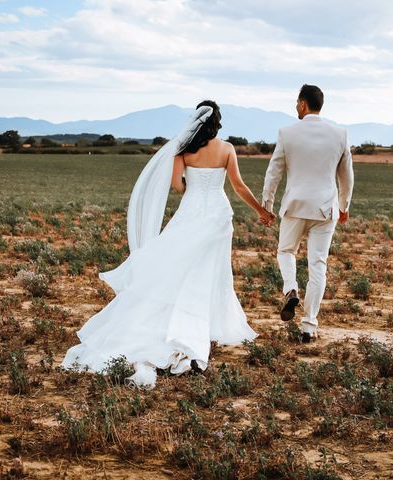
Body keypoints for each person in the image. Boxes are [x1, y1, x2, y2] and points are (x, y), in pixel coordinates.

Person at [61, 100, 274, 388]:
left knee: (178, 270)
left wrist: (193, 193)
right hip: (218, 217)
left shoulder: (182, 150)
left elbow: (177, 185)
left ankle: (181, 328)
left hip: (191, 213)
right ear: (217, 122)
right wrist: (261, 210)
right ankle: (194, 332)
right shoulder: (227, 149)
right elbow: (237, 185)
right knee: (209, 273)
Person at [262, 84, 354, 342]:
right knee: (318, 266)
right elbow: (347, 178)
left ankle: (290, 288)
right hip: (326, 209)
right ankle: (308, 327)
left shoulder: (287, 133)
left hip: (295, 205)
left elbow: (274, 172)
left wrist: (267, 206)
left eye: (296, 103)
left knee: (286, 251)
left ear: (303, 104)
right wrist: (344, 206)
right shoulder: (340, 134)